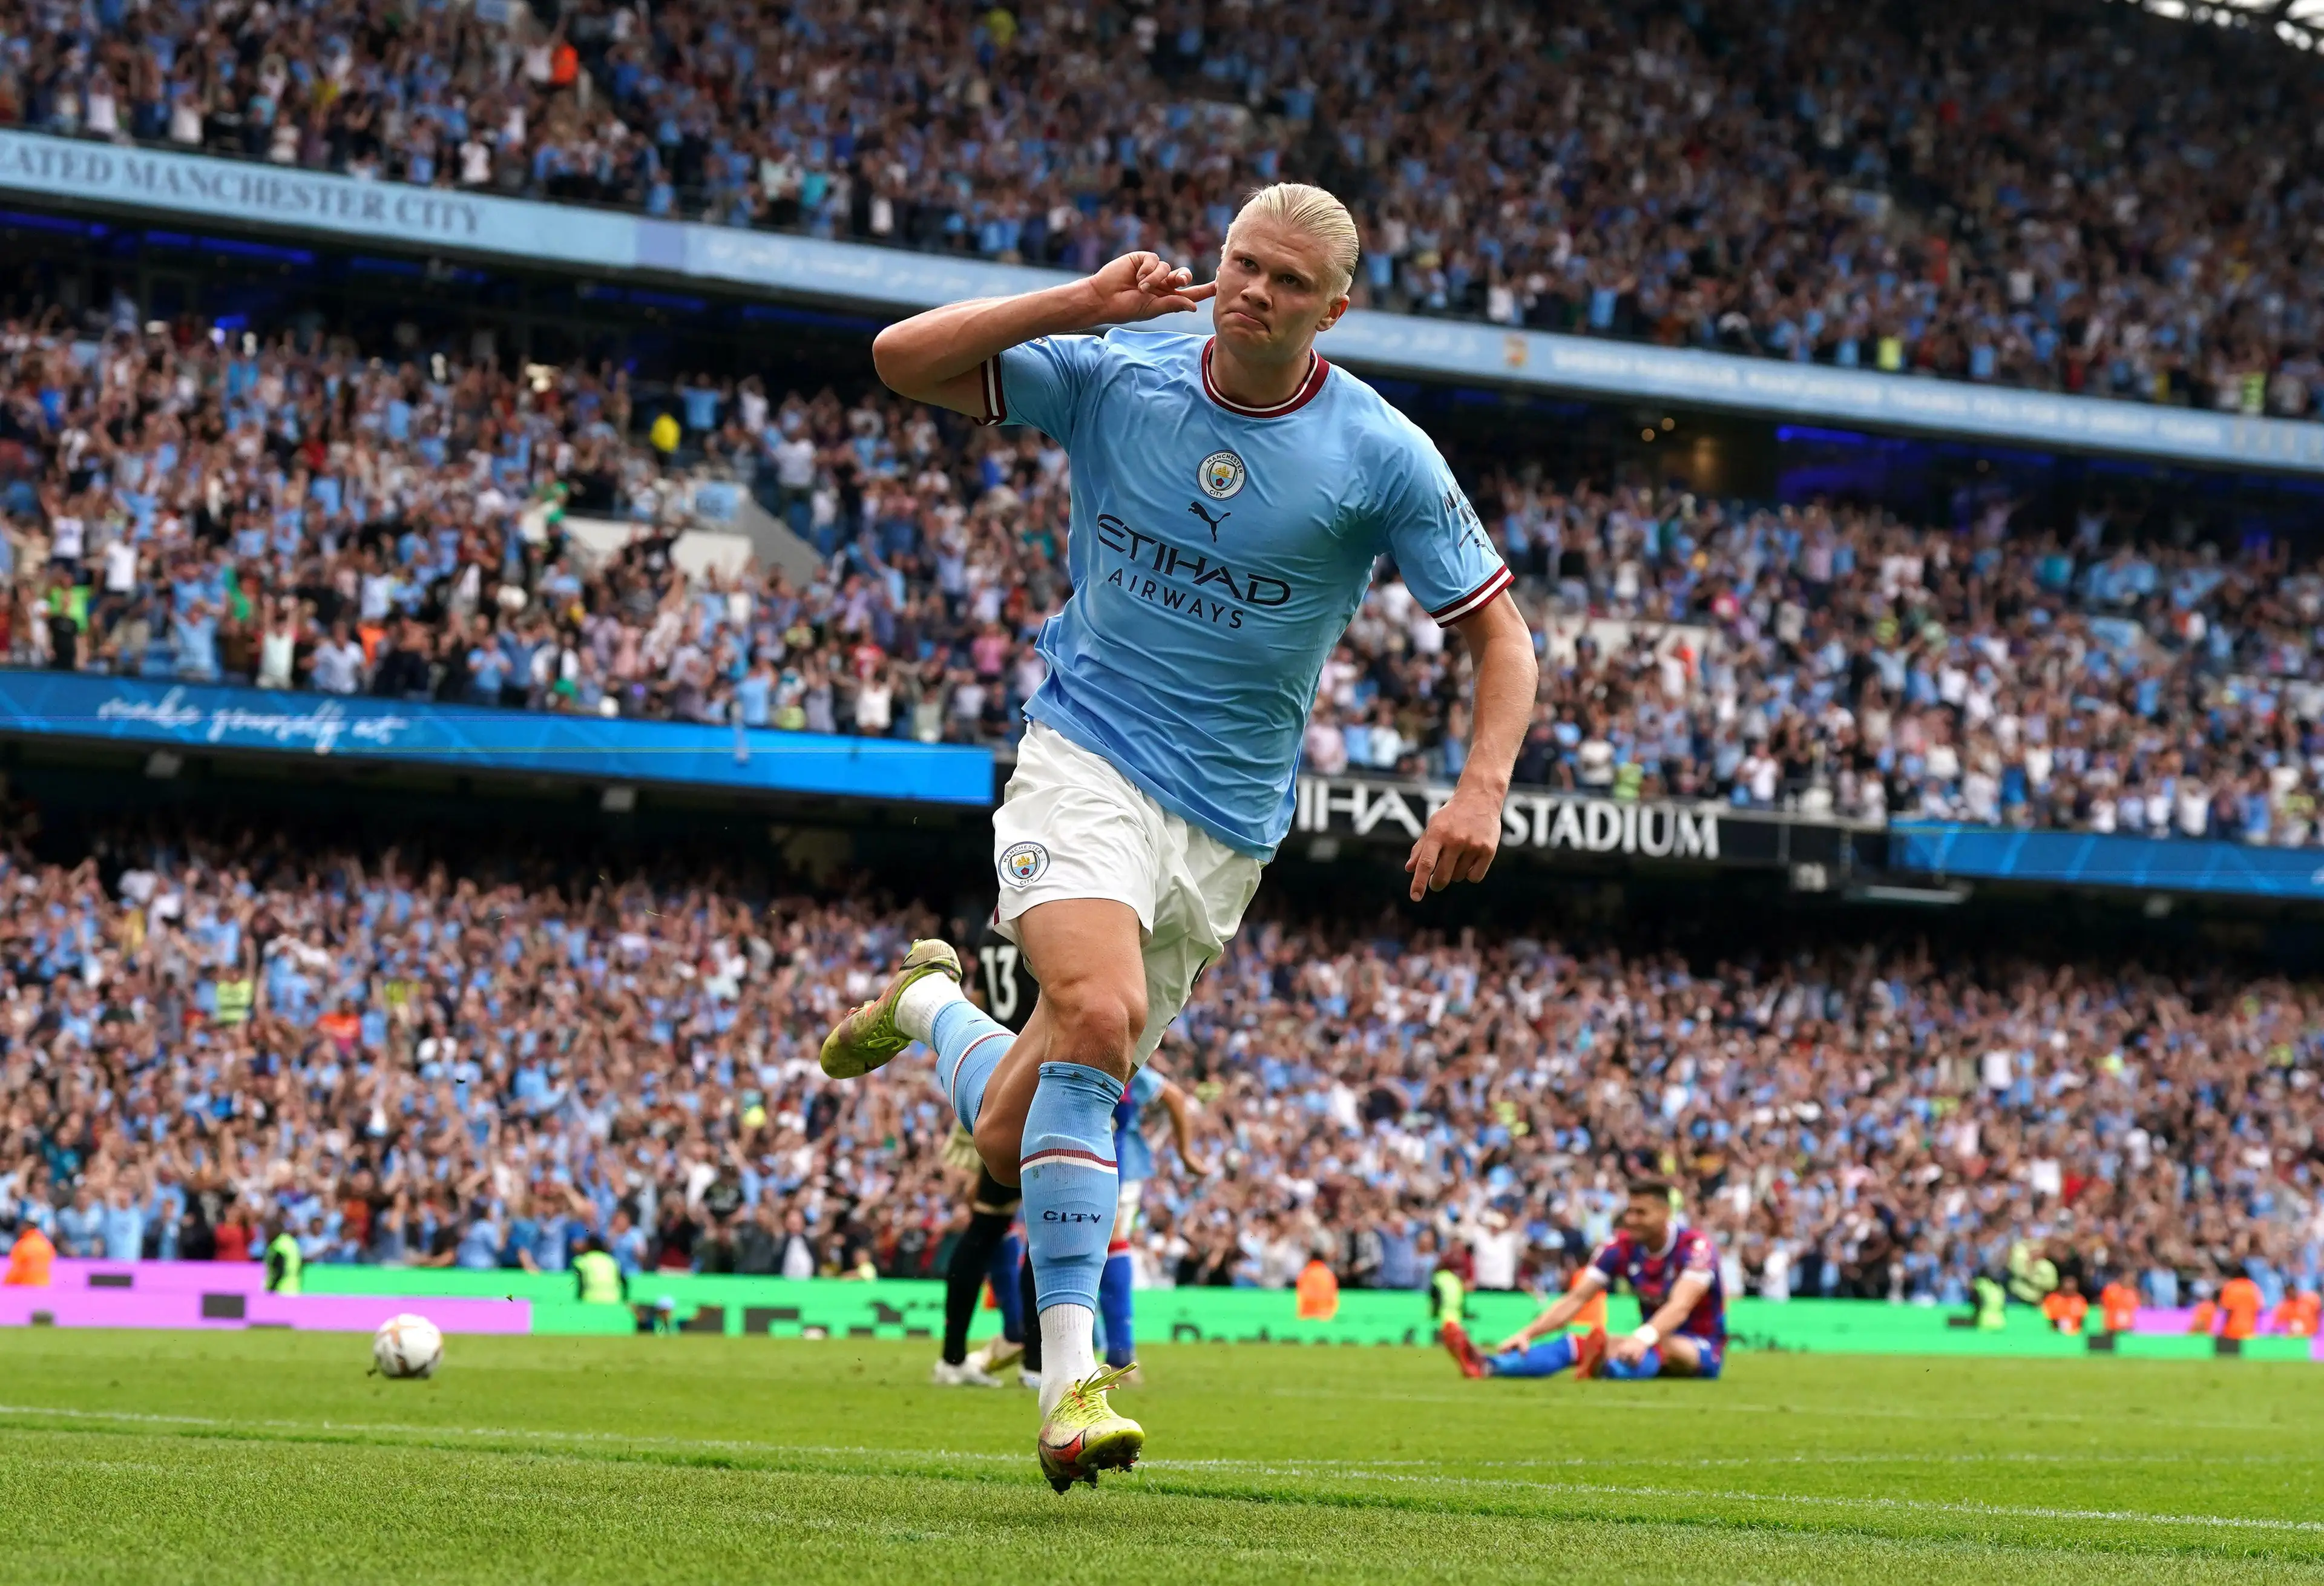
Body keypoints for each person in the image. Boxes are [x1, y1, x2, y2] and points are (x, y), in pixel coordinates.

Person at [819, 180, 1535, 1491]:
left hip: (1226, 823)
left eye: (1287, 279)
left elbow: (1500, 633)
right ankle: (1069, 1380)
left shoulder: (1380, 452)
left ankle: (929, 1006)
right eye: (1241, 262)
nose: (1255, 289)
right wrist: (1084, 299)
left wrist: (1480, 785)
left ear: (1337, 305)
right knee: (1098, 1012)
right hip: (1084, 752)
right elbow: (900, 361)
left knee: (1012, 1123)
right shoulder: (1120, 365)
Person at [1442, 1178, 1726, 1382]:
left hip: (1700, 1347)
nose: (1631, 1219)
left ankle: (1605, 1369)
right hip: (1649, 1340)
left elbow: (1681, 1306)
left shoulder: (1696, 1248)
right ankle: (1489, 1366)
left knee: (1659, 1346)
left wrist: (1642, 1338)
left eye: (1641, 1213)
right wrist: (1528, 1334)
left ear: (1665, 1213)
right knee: (1575, 1342)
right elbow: (1576, 1298)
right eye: (1629, 1211)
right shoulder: (1621, 1248)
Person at [936, 917, 1041, 1388]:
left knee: (989, 1223)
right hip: (1032, 1078)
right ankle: (1036, 1364)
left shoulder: (988, 930)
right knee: (1047, 1222)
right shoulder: (1042, 914)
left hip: (993, 1073)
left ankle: (955, 1357)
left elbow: (977, 1003)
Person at [573, 1233, 626, 1306]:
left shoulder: (581, 1261)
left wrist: (578, 1300)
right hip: (613, 1301)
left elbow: (579, 1284)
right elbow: (624, 1282)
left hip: (590, 1300)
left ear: (588, 1246)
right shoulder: (612, 1261)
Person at [3, 1222, 53, 1286]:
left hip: (25, 1284)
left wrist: (6, 1283)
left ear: (25, 1228)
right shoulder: (47, 1244)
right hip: (44, 1284)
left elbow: (16, 1269)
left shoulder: (22, 1245)